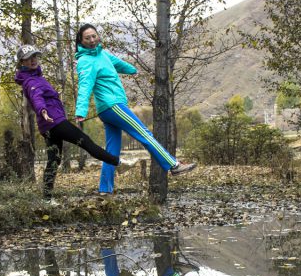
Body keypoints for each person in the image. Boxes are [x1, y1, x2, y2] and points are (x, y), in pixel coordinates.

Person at [73, 24, 196, 195]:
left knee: (111, 151)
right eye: (87, 38)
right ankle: (173, 165)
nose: (92, 40)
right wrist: (80, 111)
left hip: (107, 110)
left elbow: (121, 65)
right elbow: (85, 86)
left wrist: (133, 70)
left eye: (94, 36)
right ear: (81, 41)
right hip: (113, 105)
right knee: (144, 133)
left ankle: (105, 190)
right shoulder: (85, 61)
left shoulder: (103, 54)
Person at [14, 44, 120, 198]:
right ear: (22, 62)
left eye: (34, 56)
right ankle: (118, 162)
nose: (33, 60)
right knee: (86, 142)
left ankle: (47, 199)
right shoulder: (31, 82)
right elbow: (37, 98)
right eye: (28, 58)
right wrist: (42, 111)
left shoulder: (35, 77)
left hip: (47, 126)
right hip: (54, 122)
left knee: (53, 161)